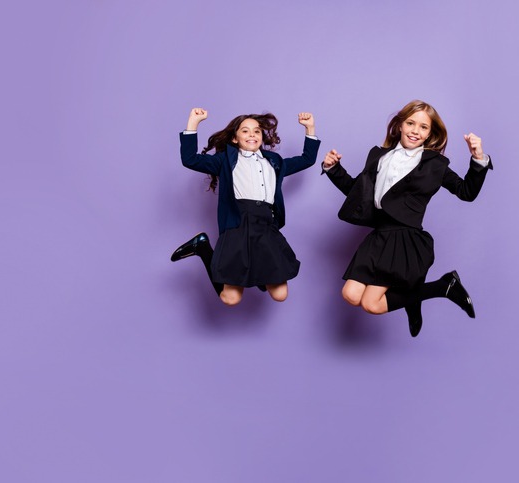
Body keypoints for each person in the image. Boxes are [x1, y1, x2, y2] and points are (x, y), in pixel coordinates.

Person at [321, 100, 493, 337]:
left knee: (371, 304)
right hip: (378, 237)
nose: (415, 130)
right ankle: (424, 293)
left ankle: (443, 287)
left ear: (430, 134)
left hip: (404, 238)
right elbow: (358, 193)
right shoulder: (378, 156)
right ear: (399, 125)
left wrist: (478, 158)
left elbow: (467, 192)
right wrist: (333, 169)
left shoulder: (436, 165)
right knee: (350, 295)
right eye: (411, 123)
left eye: (423, 127)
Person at [171, 107, 320, 306]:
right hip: (238, 225)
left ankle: (256, 272)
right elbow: (190, 159)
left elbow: (307, 159)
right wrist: (193, 123)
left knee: (280, 294)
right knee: (230, 298)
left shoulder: (274, 161)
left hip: (266, 226)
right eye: (245, 130)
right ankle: (203, 248)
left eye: (257, 131)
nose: (252, 134)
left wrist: (310, 128)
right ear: (235, 138)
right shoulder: (224, 160)